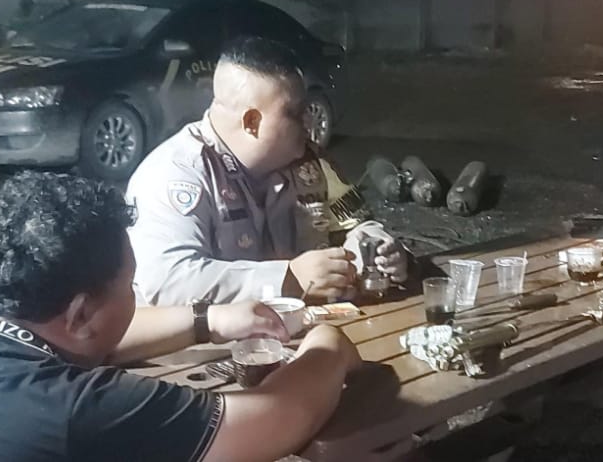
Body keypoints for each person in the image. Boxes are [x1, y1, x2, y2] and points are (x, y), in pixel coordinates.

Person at [0, 172, 362, 462]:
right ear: (79, 312)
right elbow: (280, 418)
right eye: (130, 286)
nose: (136, 297)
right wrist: (328, 344)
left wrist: (208, 319)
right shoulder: (78, 409)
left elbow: (96, 341)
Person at [127, 36, 409, 305]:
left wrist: (377, 249)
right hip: (215, 339)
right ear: (252, 122)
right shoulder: (176, 174)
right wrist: (288, 278)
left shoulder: (311, 161)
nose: (308, 121)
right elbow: (169, 281)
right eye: (295, 112)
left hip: (309, 326)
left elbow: (358, 224)